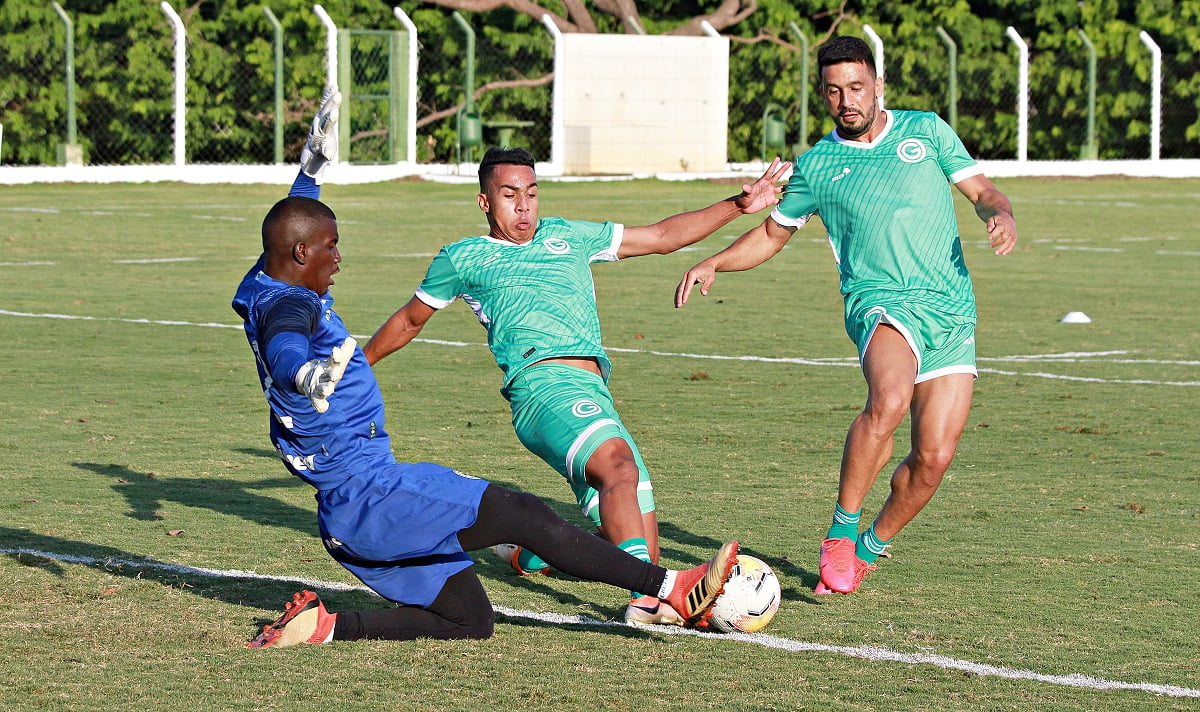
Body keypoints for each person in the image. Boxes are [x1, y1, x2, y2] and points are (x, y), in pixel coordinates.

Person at [232, 90, 740, 647]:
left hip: (351, 518)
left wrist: (312, 169)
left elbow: (289, 226)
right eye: (332, 247)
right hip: (372, 493)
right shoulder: (290, 305)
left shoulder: (265, 279)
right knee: (521, 507)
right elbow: (286, 345)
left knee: (472, 620)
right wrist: (302, 374)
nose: (339, 257)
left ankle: (325, 627)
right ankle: (669, 586)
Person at [361, 147, 789, 625]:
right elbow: (409, 319)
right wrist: (358, 366)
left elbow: (664, 237)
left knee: (635, 536)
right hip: (542, 389)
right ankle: (646, 600)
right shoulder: (464, 258)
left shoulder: (566, 234)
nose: (523, 207)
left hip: (592, 393)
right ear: (485, 202)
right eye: (509, 195)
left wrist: (739, 205)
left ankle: (533, 552)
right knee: (619, 469)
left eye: (531, 193)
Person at [675, 36, 1019, 595]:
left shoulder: (926, 131)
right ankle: (841, 529)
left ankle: (869, 547)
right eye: (834, 91)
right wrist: (716, 261)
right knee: (888, 398)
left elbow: (982, 190)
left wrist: (998, 214)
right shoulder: (817, 164)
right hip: (879, 302)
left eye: (856, 88)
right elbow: (770, 234)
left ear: (878, 86)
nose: (846, 101)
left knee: (933, 459)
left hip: (952, 310)